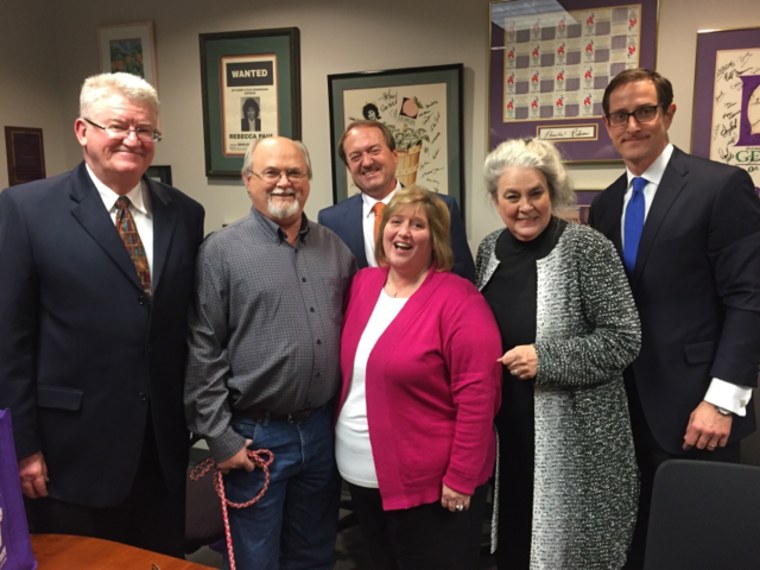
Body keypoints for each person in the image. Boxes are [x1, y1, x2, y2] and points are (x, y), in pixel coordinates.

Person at [0, 72, 205, 556]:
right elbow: (10, 338)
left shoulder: (185, 212)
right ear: (82, 130)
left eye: (146, 130)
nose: (133, 139)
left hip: (163, 446)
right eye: (119, 126)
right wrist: (22, 448)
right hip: (70, 451)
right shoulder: (27, 210)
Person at [588, 67, 760, 568]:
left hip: (694, 409)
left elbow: (749, 297)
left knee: (696, 541)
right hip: (623, 408)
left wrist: (722, 402)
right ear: (608, 125)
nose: (632, 125)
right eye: (619, 116)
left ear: (668, 113)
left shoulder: (720, 186)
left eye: (644, 111)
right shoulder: (604, 205)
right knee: (636, 536)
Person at [184, 136, 356, 570]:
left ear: (309, 181)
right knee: (256, 558)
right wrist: (220, 439)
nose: (284, 182)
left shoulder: (335, 249)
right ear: (248, 181)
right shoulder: (220, 252)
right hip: (254, 436)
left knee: (315, 555)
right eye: (271, 173)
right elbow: (202, 349)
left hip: (319, 433)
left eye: (295, 172)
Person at [477, 138, 640, 569]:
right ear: (496, 200)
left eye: (536, 193)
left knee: (566, 552)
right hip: (508, 429)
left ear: (554, 193)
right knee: (514, 539)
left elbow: (624, 338)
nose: (525, 206)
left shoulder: (587, 248)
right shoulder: (488, 250)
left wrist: (545, 360)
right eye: (512, 196)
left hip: (577, 439)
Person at [335, 185, 502, 570]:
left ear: (437, 238)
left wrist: (461, 476)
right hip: (360, 478)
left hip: (430, 487)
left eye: (418, 225)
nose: (403, 232)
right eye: (395, 222)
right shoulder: (363, 284)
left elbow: (478, 396)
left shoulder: (460, 300)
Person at [318, 120, 476, 281]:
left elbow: (462, 276)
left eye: (374, 151)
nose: (366, 162)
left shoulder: (440, 207)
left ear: (394, 156)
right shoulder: (331, 221)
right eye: (355, 156)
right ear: (348, 167)